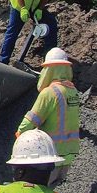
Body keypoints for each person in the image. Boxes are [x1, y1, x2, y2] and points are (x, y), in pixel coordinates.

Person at [16, 47, 80, 185]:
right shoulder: (73, 92)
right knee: (53, 188)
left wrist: (19, 134)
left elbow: (31, 121)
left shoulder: (50, 93)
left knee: (41, 190)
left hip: (50, 155)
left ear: (49, 70)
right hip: (68, 154)